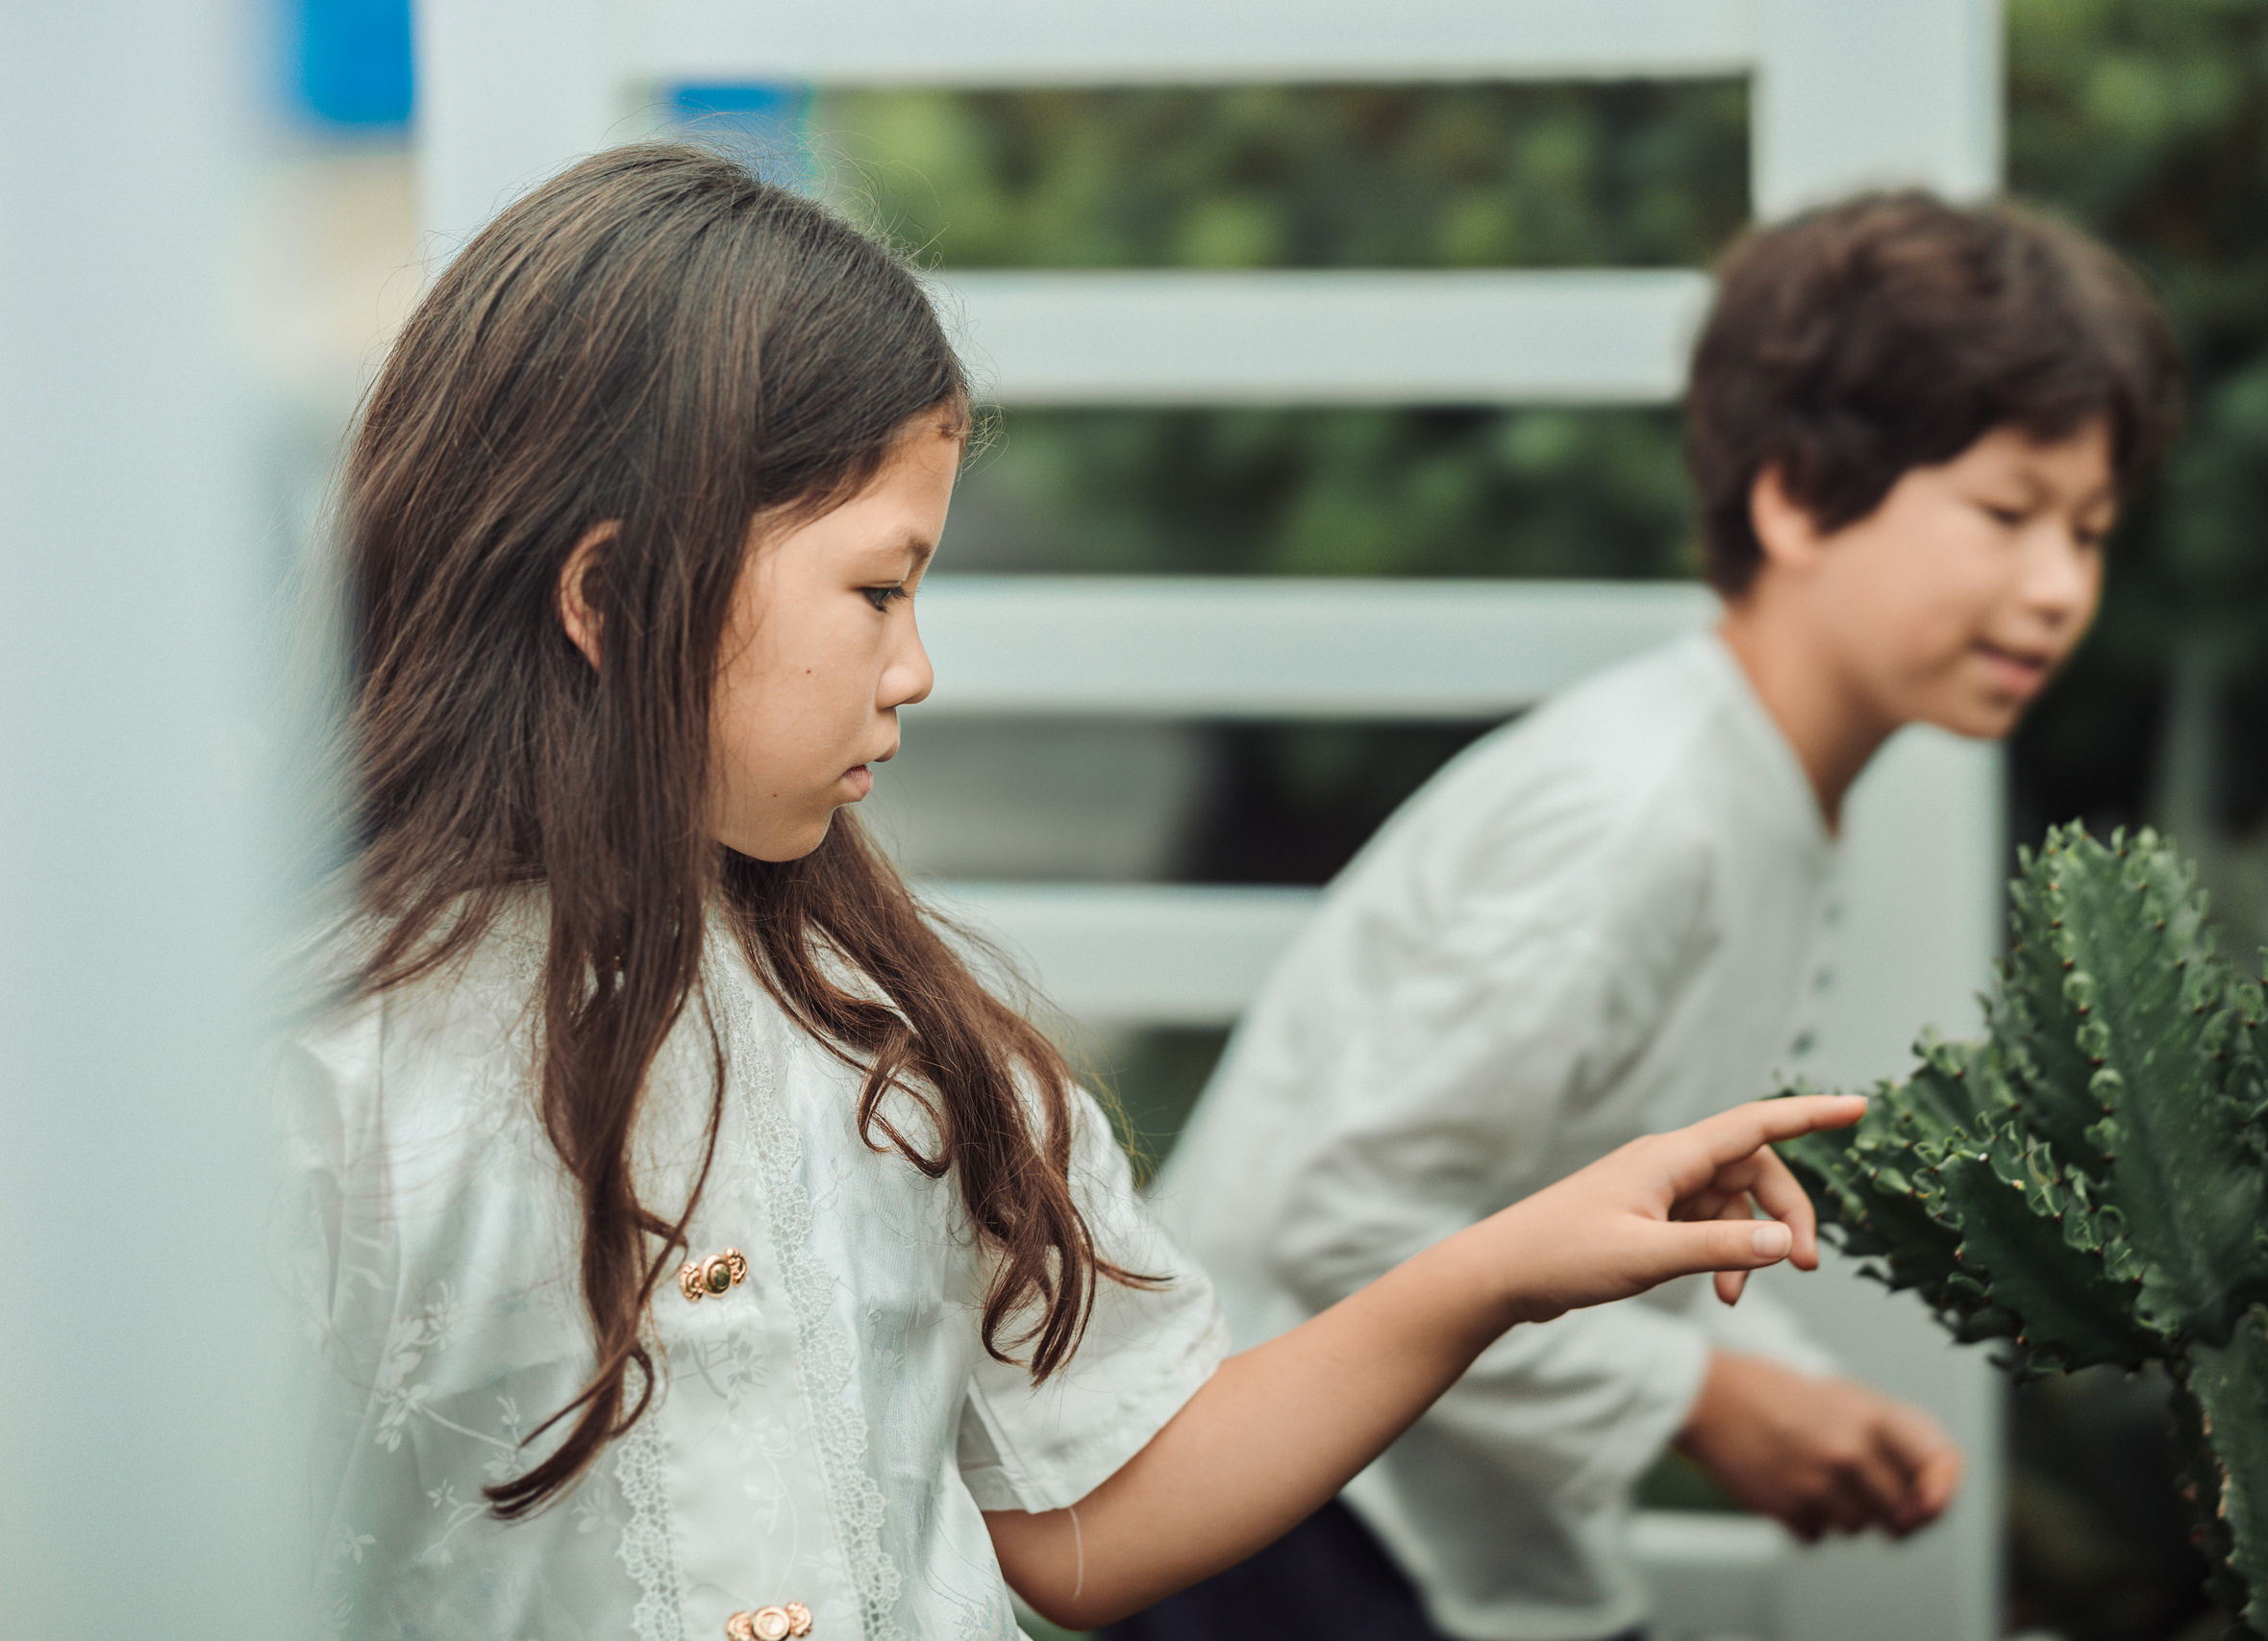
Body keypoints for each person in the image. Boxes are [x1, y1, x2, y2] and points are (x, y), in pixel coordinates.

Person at [278, 142, 1868, 1641]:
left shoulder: (894, 1045)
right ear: (616, 594)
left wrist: (1501, 1270)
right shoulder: (309, 1085)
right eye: (879, 587)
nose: (915, 668)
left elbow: (1088, 1506)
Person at [1131, 191, 2182, 1641]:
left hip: (1399, 1533)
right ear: (1797, 495)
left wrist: (1782, 1387)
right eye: (2008, 514)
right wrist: (1704, 1396)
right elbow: (1337, 1208)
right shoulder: (1644, 816)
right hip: (1288, 1537)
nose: (2062, 587)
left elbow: (1573, 1186)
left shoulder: (1757, 793)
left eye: (2091, 529)